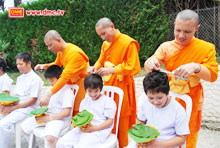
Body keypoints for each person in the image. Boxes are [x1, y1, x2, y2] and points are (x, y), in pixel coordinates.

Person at [144, 9, 219, 148]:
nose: (181, 35)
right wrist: (151, 62)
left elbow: (213, 76)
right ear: (174, 25)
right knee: (165, 131)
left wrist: (196, 67)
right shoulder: (166, 47)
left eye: (187, 32)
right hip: (167, 98)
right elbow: (150, 63)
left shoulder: (206, 48)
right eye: (178, 30)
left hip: (192, 99)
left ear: (197, 28)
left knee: (188, 135)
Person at [87, 17, 141, 147]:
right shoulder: (105, 44)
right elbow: (101, 59)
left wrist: (112, 70)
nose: (103, 38)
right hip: (109, 85)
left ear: (112, 26)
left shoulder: (128, 43)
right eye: (100, 35)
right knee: (108, 114)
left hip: (123, 86)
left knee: (121, 117)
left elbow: (134, 67)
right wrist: (96, 66)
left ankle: (123, 144)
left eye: (104, 33)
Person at [127, 70, 190, 148]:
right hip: (147, 140)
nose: (155, 102)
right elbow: (141, 121)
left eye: (159, 98)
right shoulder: (144, 100)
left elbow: (181, 138)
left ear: (167, 93)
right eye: (151, 98)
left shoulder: (178, 110)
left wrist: (156, 145)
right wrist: (140, 138)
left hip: (166, 144)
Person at [34, 30, 89, 116]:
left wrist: (48, 95)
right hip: (71, 85)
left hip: (82, 87)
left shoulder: (75, 53)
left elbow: (64, 77)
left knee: (80, 115)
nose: (49, 48)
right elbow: (57, 64)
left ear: (58, 40)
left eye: (50, 45)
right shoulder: (61, 51)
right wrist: (44, 66)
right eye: (47, 46)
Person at [21, 65, 75, 148]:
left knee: (50, 138)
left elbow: (66, 112)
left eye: (52, 81)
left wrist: (49, 118)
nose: (50, 83)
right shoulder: (50, 89)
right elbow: (46, 105)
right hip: (48, 115)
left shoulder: (67, 91)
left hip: (59, 119)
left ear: (60, 78)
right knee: (24, 127)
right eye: (49, 81)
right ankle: (35, 146)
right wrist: (42, 110)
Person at [56, 73, 116, 148]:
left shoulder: (108, 102)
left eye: (96, 91)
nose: (93, 94)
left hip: (99, 131)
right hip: (83, 129)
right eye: (90, 91)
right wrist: (80, 125)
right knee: (61, 143)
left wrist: (94, 128)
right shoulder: (84, 101)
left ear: (100, 88)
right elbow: (81, 117)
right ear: (85, 89)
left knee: (80, 146)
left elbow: (109, 121)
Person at [0, 52, 43, 148]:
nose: (18, 67)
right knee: (2, 114)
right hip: (18, 108)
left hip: (28, 109)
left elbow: (32, 100)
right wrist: (8, 106)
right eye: (17, 64)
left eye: (21, 64)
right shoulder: (19, 78)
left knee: (3, 124)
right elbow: (16, 97)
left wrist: (13, 108)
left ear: (29, 63)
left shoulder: (35, 79)